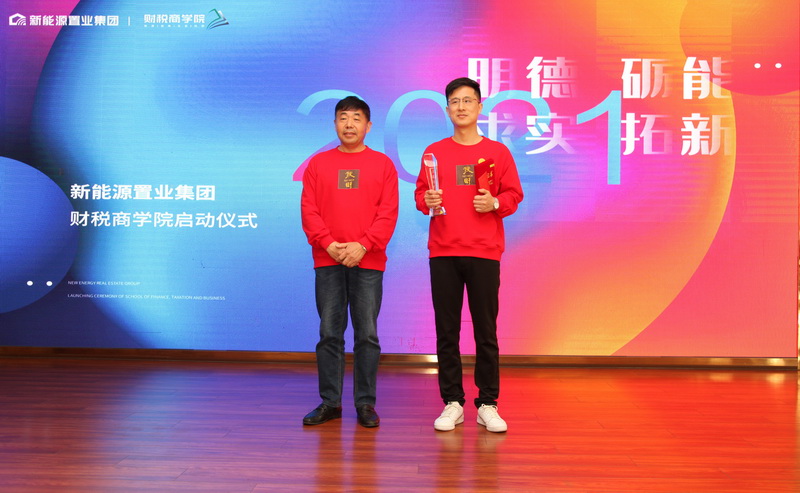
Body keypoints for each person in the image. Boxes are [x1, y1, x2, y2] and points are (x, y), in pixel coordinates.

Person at [414, 77, 523, 433]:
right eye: (455, 102)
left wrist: (494, 203)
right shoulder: (433, 153)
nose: (461, 107)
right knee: (446, 331)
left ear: (479, 106)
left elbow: (513, 195)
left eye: (467, 100)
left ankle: (487, 403)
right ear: (447, 109)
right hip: (444, 250)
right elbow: (420, 196)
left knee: (485, 331)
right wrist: (427, 201)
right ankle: (453, 402)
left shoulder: (497, 153)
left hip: (484, 251)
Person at [301, 96, 399, 428]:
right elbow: (309, 210)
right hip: (327, 259)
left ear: (368, 126)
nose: (349, 124)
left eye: (357, 118)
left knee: (367, 335)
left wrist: (364, 246)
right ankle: (330, 402)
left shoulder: (383, 165)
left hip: (368, 261)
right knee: (329, 333)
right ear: (334, 124)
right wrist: (329, 244)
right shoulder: (318, 164)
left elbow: (388, 213)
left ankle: (365, 403)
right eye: (343, 117)